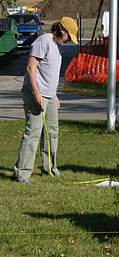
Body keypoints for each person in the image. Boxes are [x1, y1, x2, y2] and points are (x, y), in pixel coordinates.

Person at [13, 17, 78, 184]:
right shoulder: (43, 42)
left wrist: (54, 94)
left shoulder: (58, 45)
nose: (68, 40)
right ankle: (22, 173)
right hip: (35, 94)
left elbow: (50, 73)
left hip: (49, 95)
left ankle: (50, 169)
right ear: (61, 30)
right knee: (33, 133)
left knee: (52, 133)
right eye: (68, 36)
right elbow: (30, 67)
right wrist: (36, 94)